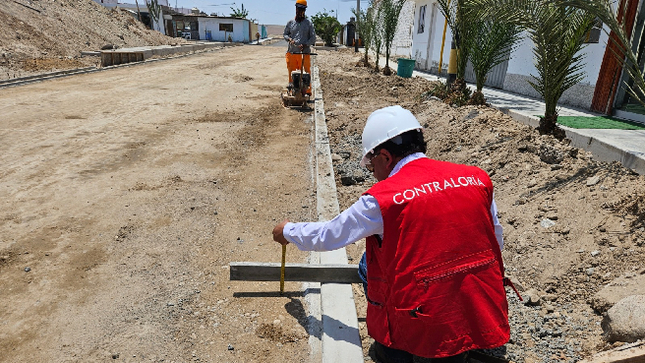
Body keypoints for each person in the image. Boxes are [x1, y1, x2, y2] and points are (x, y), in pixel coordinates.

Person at [273, 106, 510, 363]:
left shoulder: (383, 200)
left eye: (371, 163)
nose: (372, 173)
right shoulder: (477, 179)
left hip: (424, 314)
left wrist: (288, 230)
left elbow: (330, 235)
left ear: (385, 156)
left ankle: (398, 346)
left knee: (371, 269)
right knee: (371, 262)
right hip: (476, 302)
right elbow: (495, 241)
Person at [283, 0, 316, 95]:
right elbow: (285, 34)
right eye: (298, 9)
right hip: (292, 52)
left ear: (304, 11)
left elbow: (313, 37)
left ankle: (306, 91)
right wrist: (290, 39)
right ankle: (293, 89)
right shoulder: (290, 23)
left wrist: (305, 44)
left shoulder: (308, 24)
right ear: (296, 9)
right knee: (292, 72)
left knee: (305, 73)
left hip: (304, 53)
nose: (299, 12)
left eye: (302, 10)